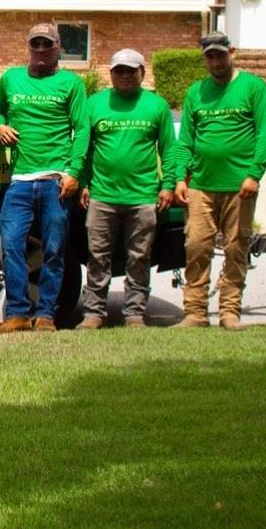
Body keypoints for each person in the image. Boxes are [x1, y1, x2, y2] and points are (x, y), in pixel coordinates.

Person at [169, 32, 266, 330]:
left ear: (232, 53)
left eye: (220, 55)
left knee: (235, 248)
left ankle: (230, 312)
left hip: (240, 186)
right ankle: (195, 313)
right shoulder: (196, 93)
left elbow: (265, 133)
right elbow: (185, 141)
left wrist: (255, 174)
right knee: (197, 248)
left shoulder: (253, 88)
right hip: (200, 185)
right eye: (210, 57)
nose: (215, 62)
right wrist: (179, 177)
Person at [0, 23, 87, 333]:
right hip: (20, 180)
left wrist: (74, 172)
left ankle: (46, 315)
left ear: (58, 47)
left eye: (47, 44)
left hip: (56, 179)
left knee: (55, 250)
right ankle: (17, 313)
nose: (41, 50)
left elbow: (82, 129)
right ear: (29, 47)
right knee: (12, 245)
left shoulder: (71, 83)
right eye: (36, 45)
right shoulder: (11, 78)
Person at [74, 49, 176, 329]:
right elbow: (83, 146)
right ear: (111, 74)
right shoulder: (95, 103)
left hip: (143, 196)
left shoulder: (156, 106)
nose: (125, 76)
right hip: (102, 195)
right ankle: (94, 313)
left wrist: (168, 184)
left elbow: (169, 149)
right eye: (119, 70)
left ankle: (134, 314)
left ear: (143, 72)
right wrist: (82, 182)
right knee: (97, 257)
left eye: (131, 70)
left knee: (139, 258)